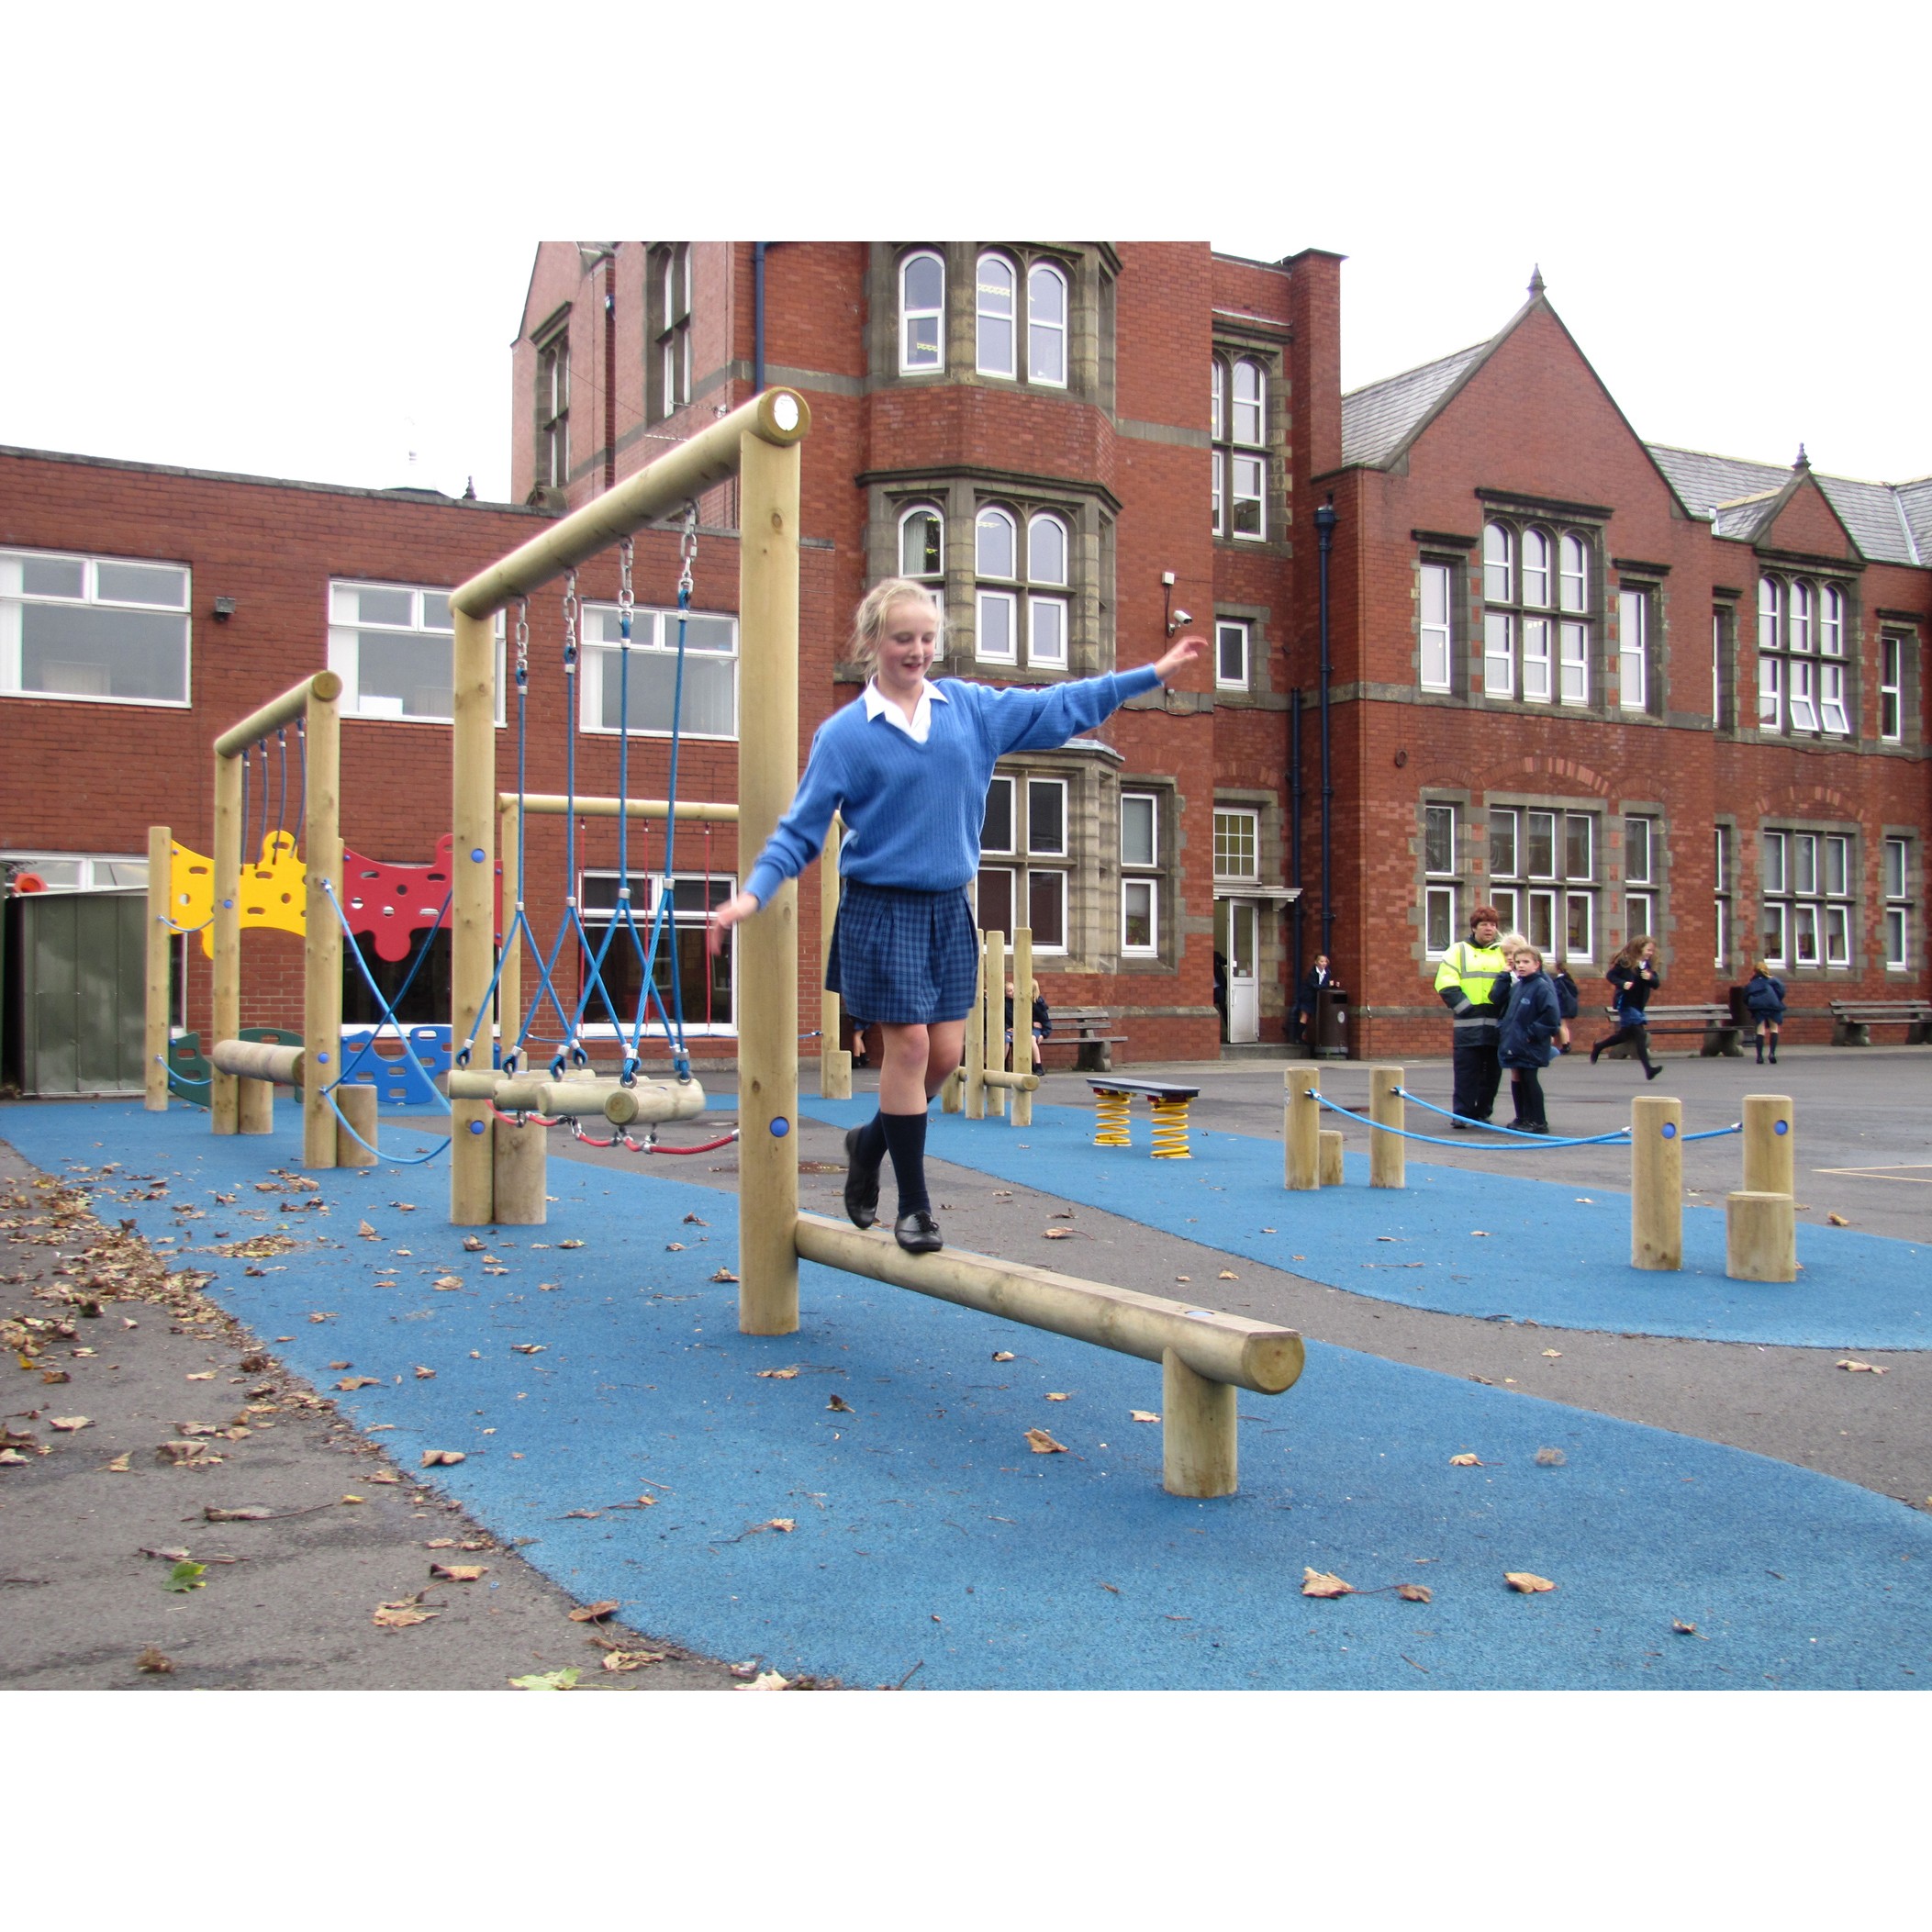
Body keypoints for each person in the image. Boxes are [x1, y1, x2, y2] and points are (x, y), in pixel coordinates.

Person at [709, 577, 1206, 1255]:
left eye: (925, 638)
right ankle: (913, 1209)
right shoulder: (846, 735)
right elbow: (799, 831)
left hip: (948, 907)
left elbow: (1060, 706)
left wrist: (1149, 674)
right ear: (871, 644)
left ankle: (870, 1141)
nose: (915, 651)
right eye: (901, 638)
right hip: (880, 908)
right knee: (908, 1046)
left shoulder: (968, 709)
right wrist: (752, 893)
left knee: (945, 1053)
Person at [1434, 905, 1509, 1128]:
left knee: (1492, 1075)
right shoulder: (1457, 951)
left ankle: (1482, 1113)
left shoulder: (1504, 952)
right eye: (1484, 924)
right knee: (1466, 1073)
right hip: (1468, 1025)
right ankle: (1462, 1114)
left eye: (1493, 925)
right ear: (1474, 927)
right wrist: (1467, 1009)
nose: (1489, 929)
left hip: (1496, 1025)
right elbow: (1445, 984)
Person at [1491, 942, 1563, 1133]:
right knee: (1519, 1078)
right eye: (1518, 962)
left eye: (1525, 962)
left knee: (1530, 1079)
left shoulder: (1541, 986)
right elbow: (1506, 1011)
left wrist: (1532, 1034)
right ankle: (1522, 1117)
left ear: (1536, 964)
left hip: (1530, 1044)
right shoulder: (1518, 987)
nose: (1520, 965)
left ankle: (1538, 1121)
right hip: (1515, 1042)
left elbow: (1551, 1016)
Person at [1591, 934, 1664, 1079]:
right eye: (1648, 950)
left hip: (1638, 1006)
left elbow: (1656, 984)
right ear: (1639, 948)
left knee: (1625, 1036)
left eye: (1652, 951)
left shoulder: (1647, 966)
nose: (1650, 953)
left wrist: (1651, 978)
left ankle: (1599, 1046)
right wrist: (1623, 983)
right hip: (1626, 1003)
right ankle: (1649, 1070)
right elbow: (1611, 976)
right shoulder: (1626, 962)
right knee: (1640, 1034)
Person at [1744, 958, 1786, 1065]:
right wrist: (1777, 999)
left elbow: (1745, 997)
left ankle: (1759, 1057)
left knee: (1760, 1029)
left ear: (1755, 971)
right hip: (1772, 1004)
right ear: (1766, 970)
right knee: (1774, 1028)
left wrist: (1750, 1005)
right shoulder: (1772, 980)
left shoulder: (1752, 983)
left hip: (1758, 1006)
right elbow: (1782, 990)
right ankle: (1772, 1053)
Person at [1003, 976, 1050, 1072]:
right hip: (1019, 1029)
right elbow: (1010, 1018)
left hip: (1033, 1030)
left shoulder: (1037, 1003)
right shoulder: (1013, 1002)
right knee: (1011, 1039)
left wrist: (1044, 1034)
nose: (1013, 992)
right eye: (1010, 990)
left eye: (1014, 989)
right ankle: (1007, 1066)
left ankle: (1038, 1066)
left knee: (1031, 1038)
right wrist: (1007, 1027)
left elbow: (1045, 1020)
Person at [1294, 953, 1334, 1044]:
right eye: (1321, 961)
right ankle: (1297, 1037)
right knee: (1305, 1015)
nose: (1324, 963)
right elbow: (1314, 986)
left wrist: (1333, 985)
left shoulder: (1327, 973)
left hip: (1318, 998)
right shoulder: (1312, 973)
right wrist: (1327, 985)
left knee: (1317, 1016)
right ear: (1316, 962)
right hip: (1308, 996)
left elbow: (1325, 986)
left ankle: (1316, 1039)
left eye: (1325, 961)